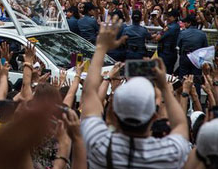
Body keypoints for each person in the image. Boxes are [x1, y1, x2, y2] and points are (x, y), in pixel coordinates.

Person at [81, 16, 190, 169]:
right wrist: (164, 88)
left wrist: (101, 48)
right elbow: (180, 125)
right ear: (154, 116)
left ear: (114, 113)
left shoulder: (97, 142)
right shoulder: (170, 153)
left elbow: (88, 94)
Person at [178, 14, 208, 78]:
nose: (184, 24)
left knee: (183, 77)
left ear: (189, 23)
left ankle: (184, 87)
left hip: (185, 56)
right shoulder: (202, 34)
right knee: (196, 78)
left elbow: (178, 44)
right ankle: (196, 88)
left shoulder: (183, 33)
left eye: (185, 22)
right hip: (197, 58)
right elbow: (205, 47)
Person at [153, 8, 180, 74]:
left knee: (163, 74)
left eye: (170, 16)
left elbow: (157, 38)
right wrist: (159, 18)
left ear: (175, 17)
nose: (167, 18)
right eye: (167, 16)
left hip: (166, 54)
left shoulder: (170, 28)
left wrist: (161, 32)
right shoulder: (175, 25)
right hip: (169, 53)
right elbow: (164, 26)